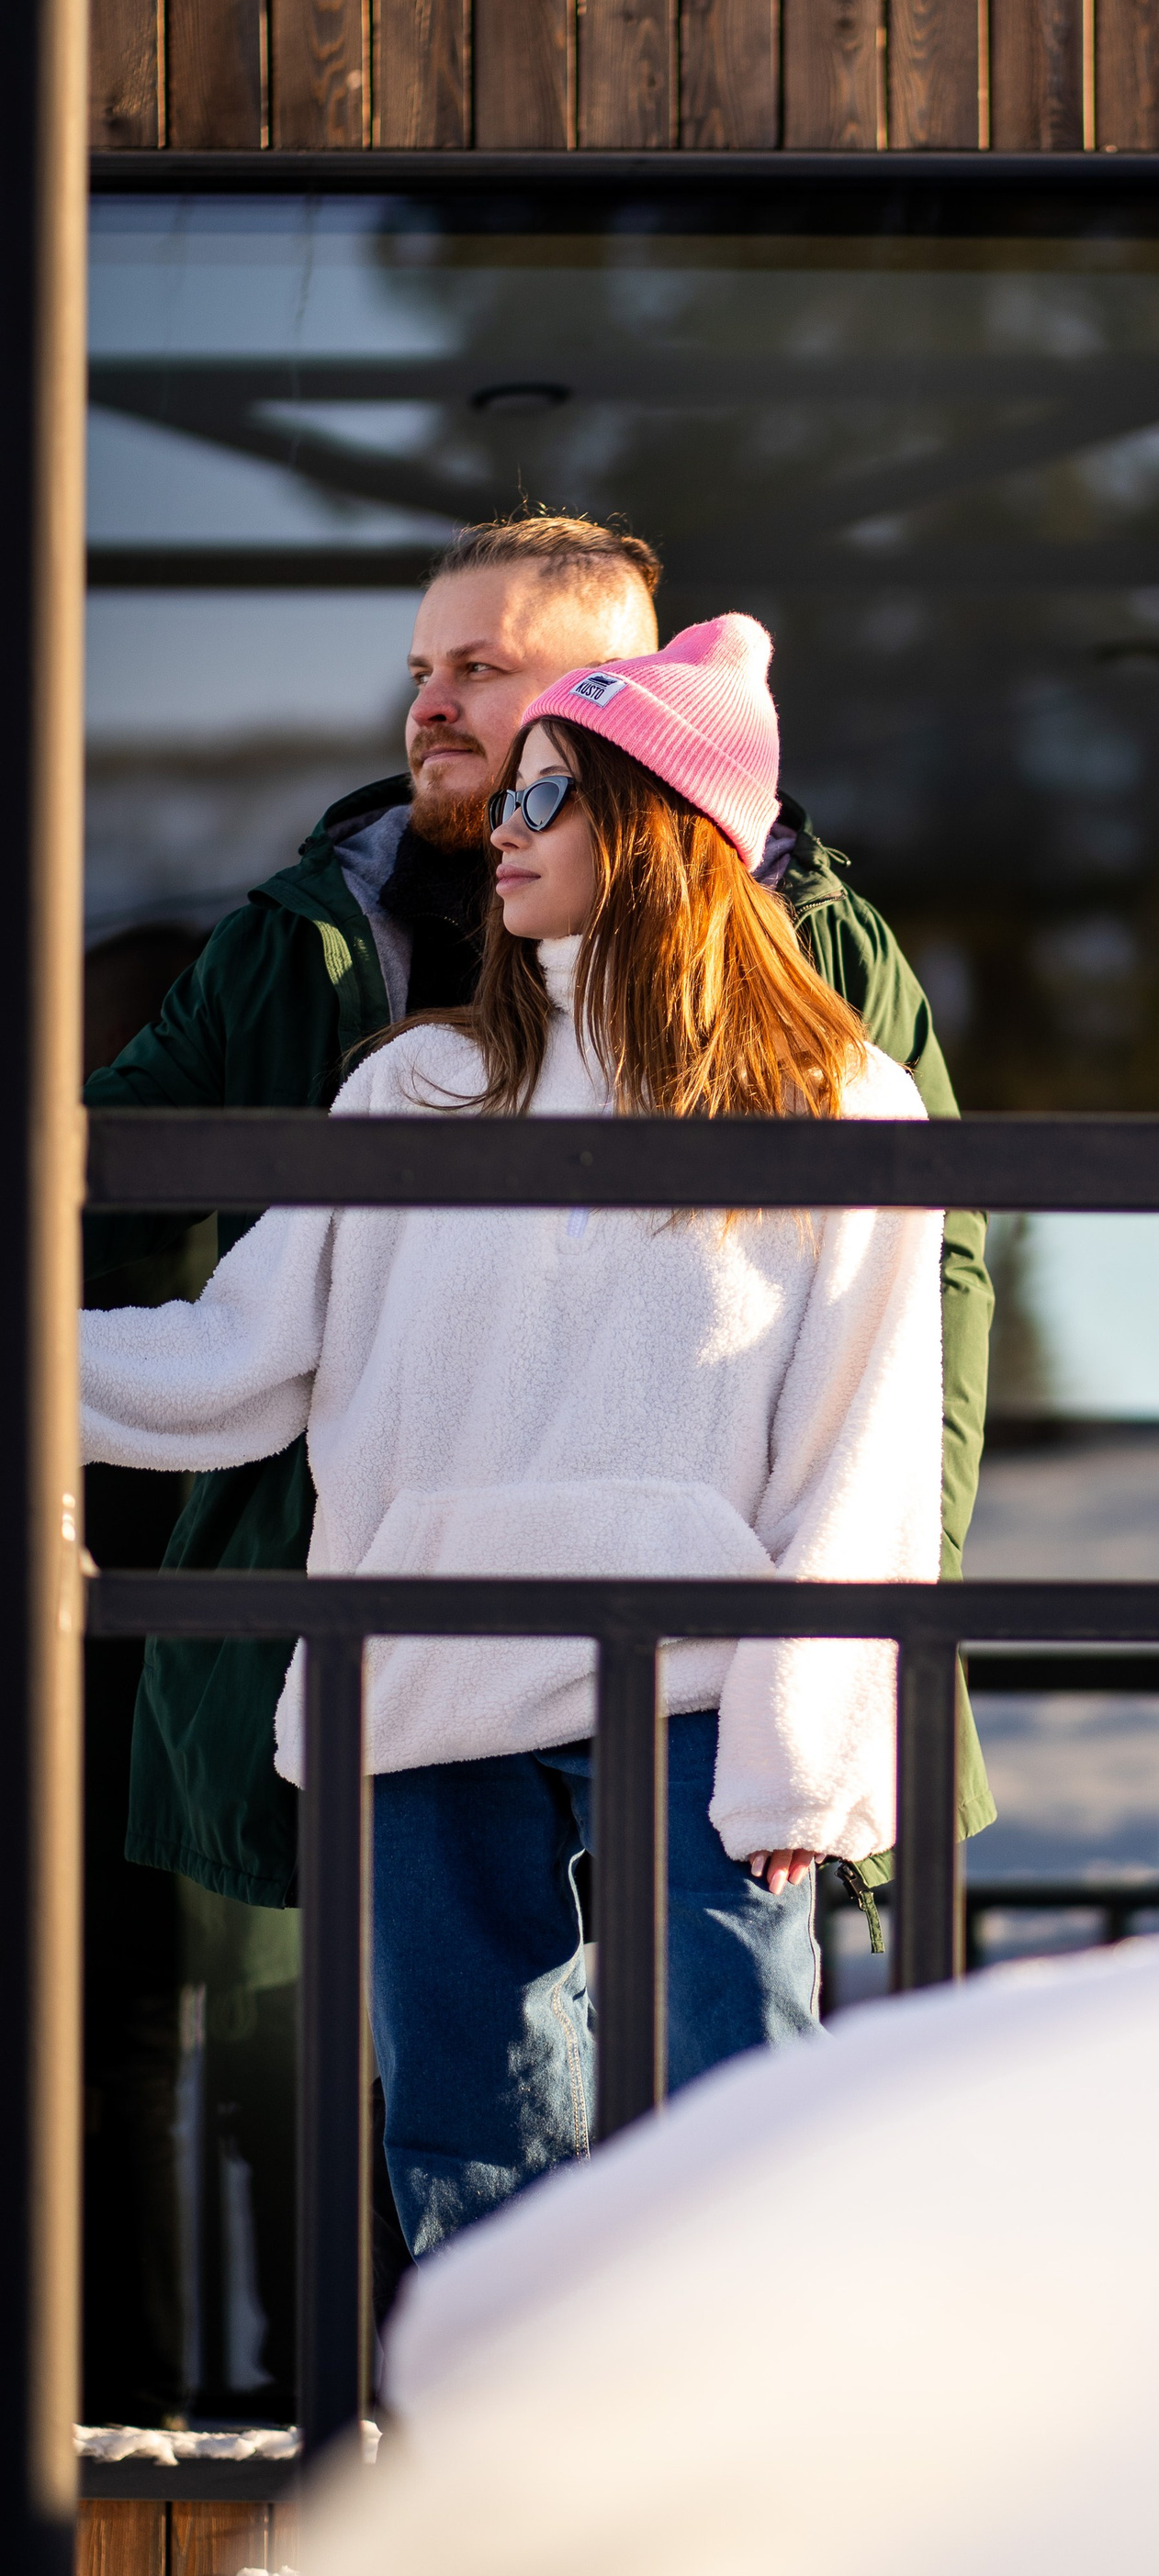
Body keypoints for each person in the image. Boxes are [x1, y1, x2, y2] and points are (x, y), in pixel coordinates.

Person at [83, 618, 946, 2253]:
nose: (506, 825)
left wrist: (808, 1753)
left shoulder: (835, 1101)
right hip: (431, 1662)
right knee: (467, 2137)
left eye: (549, 794)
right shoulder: (413, 1088)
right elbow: (238, 1361)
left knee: (739, 2111)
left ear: (665, 830)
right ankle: (515, 2410)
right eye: (514, 792)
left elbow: (865, 1454)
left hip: (695, 1681)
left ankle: (752, 2411)